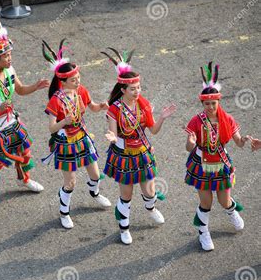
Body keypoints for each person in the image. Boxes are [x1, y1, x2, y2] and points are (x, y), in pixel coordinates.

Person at [0, 0, 49, 215]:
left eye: (9, 55)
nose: (9, 59)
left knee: (25, 153)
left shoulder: (10, 71)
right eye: (5, 56)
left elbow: (21, 89)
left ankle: (24, 179)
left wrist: (36, 86)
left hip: (11, 124)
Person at [102, 48, 176, 245]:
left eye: (139, 87)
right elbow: (113, 132)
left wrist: (161, 117)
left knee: (150, 192)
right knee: (126, 195)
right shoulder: (114, 109)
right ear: (123, 90)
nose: (137, 91)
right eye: (133, 89)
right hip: (124, 154)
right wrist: (110, 136)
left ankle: (150, 208)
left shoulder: (143, 105)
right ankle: (124, 228)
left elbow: (153, 131)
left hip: (143, 152)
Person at [42, 39, 111, 229]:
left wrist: (102, 106)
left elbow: (93, 107)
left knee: (96, 175)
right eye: (73, 79)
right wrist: (64, 121)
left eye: (78, 77)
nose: (78, 81)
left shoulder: (81, 91)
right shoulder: (55, 101)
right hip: (65, 141)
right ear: (62, 82)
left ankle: (94, 194)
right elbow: (52, 128)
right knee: (70, 182)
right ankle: (64, 212)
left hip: (82, 137)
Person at [185, 62, 250, 251]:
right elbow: (188, 147)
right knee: (206, 203)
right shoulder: (196, 121)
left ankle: (231, 210)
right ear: (202, 103)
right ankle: (203, 233)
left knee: (224, 201)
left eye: (214, 103)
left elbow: (237, 142)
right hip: (201, 164)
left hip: (221, 164)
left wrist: (245, 139)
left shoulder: (227, 119)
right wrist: (191, 140)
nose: (211, 106)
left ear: (218, 102)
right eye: (207, 103)